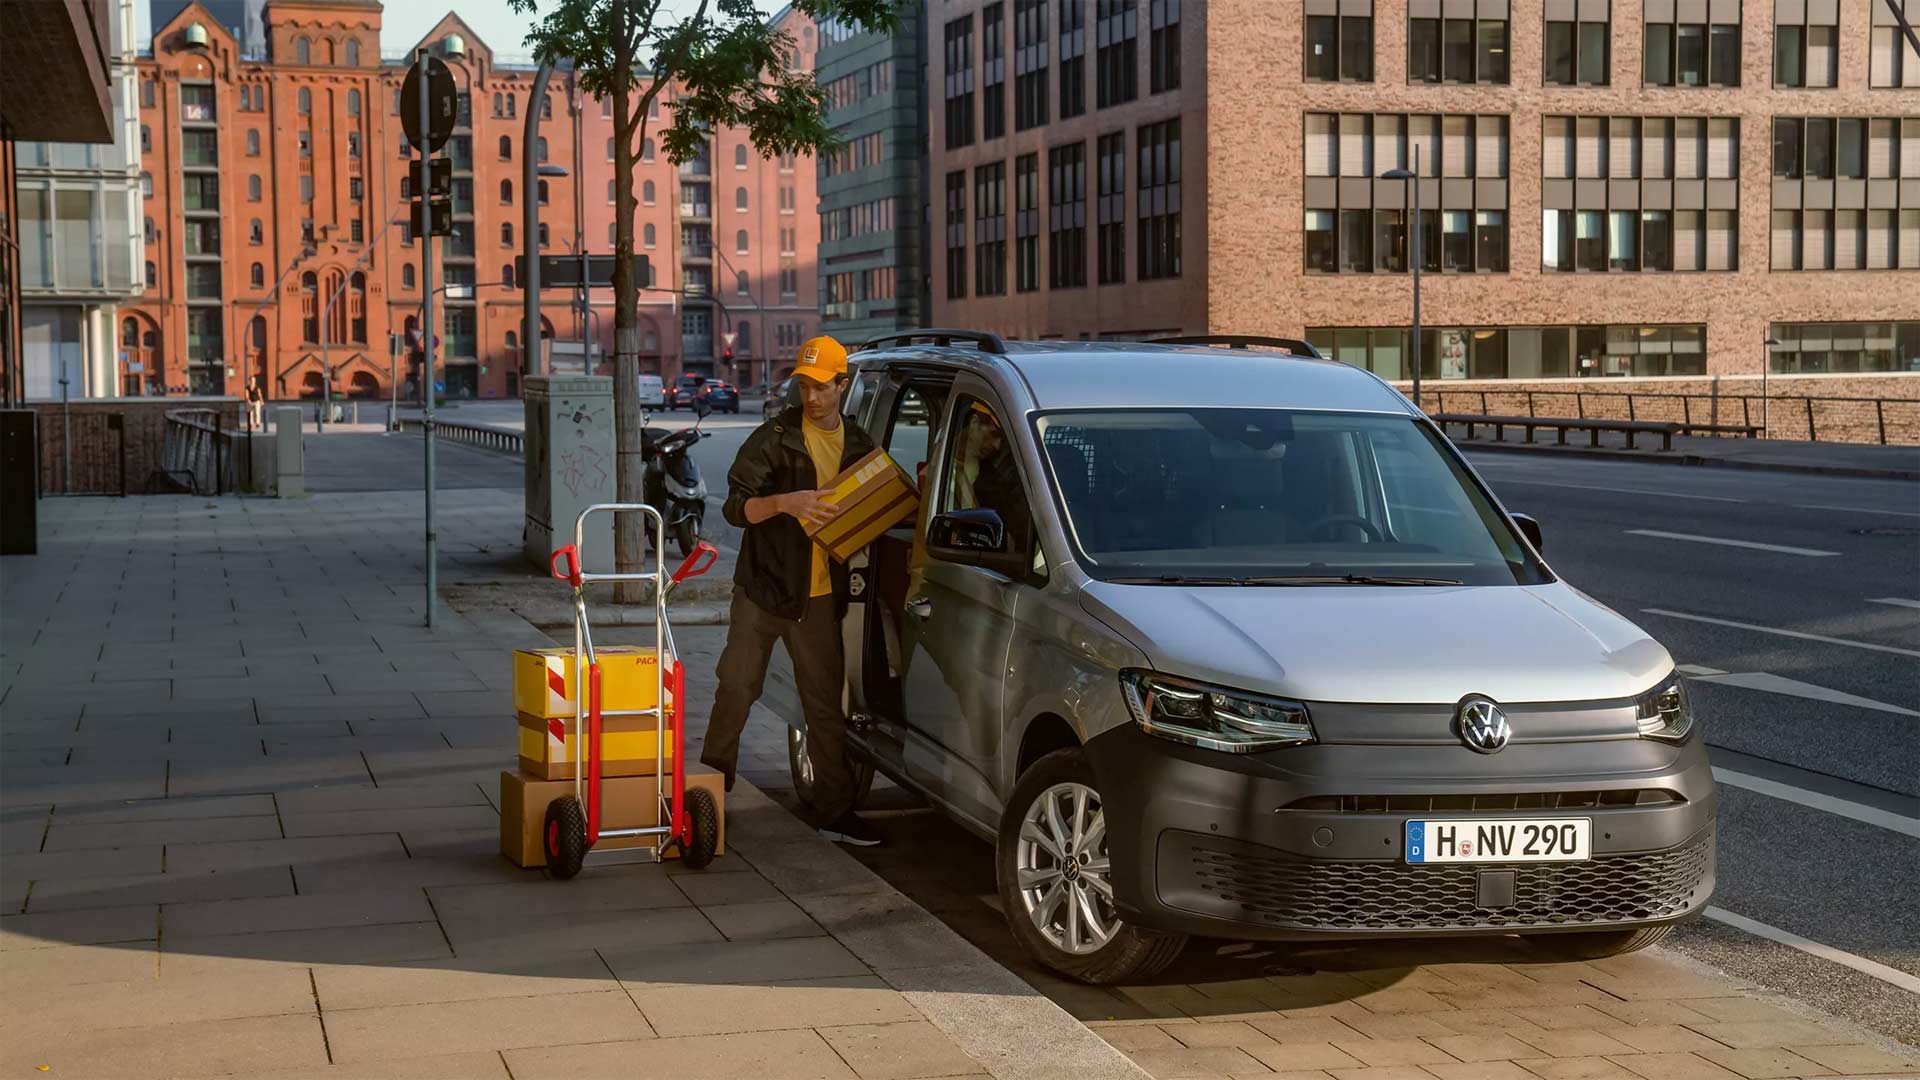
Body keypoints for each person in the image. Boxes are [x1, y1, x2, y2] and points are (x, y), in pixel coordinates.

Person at [702, 336, 883, 847]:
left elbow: (873, 506)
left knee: (824, 705)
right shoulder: (775, 437)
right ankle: (708, 794)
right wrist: (786, 503)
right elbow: (735, 507)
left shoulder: (859, 446)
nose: (812, 397)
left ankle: (835, 813)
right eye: (805, 386)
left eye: (822, 387)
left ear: (843, 386)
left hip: (819, 599)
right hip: (762, 591)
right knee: (736, 689)